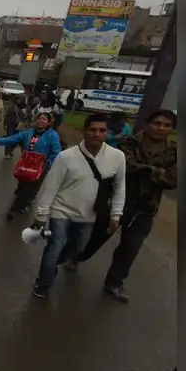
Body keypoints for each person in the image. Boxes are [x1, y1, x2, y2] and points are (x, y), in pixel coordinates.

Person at [71, 110, 177, 302]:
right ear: (148, 124)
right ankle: (75, 257)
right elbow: (127, 166)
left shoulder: (175, 152)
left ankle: (114, 282)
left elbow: (173, 179)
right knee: (95, 237)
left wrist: (146, 170)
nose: (161, 128)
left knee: (130, 248)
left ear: (172, 129)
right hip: (117, 204)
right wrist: (157, 172)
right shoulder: (128, 143)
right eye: (157, 123)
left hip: (145, 209)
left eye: (166, 125)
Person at [28, 113, 126, 299]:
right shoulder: (66, 157)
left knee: (77, 250)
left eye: (102, 130)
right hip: (61, 210)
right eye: (93, 130)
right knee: (54, 246)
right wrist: (41, 215)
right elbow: (51, 187)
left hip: (89, 215)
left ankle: (54, 264)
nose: (97, 134)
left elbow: (120, 187)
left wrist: (116, 214)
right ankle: (44, 283)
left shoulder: (117, 157)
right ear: (84, 132)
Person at [0, 111, 62, 220]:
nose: (40, 121)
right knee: (22, 185)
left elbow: (56, 152)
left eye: (44, 119)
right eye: (39, 119)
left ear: (48, 123)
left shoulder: (52, 135)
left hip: (40, 166)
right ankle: (24, 202)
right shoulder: (28, 132)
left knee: (29, 189)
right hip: (26, 163)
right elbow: (13, 139)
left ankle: (14, 209)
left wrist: (47, 163)